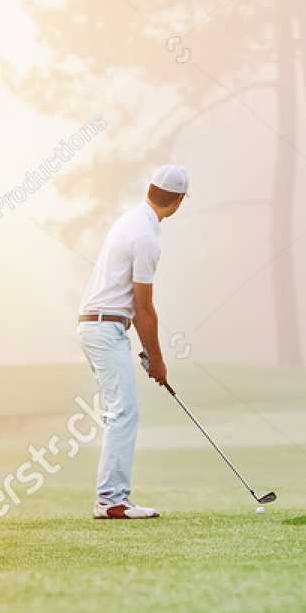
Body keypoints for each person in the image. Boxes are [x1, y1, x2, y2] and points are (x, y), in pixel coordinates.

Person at [76, 165, 187, 518]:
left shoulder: (130, 221)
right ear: (179, 201)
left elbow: (134, 309)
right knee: (123, 411)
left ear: (150, 190)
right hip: (104, 328)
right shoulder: (146, 239)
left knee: (121, 411)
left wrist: (147, 351)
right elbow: (143, 310)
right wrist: (158, 360)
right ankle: (111, 500)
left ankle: (112, 498)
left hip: (103, 325)